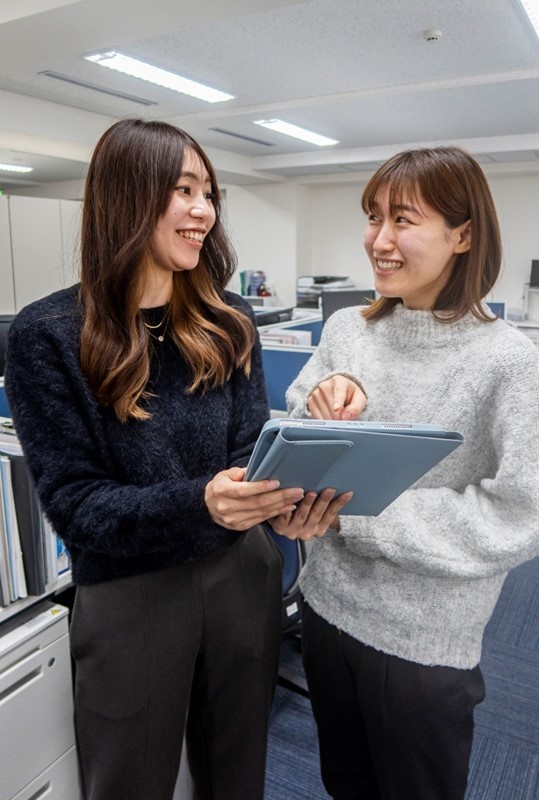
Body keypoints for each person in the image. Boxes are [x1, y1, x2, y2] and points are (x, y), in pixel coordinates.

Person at [4, 118, 348, 800]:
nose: (203, 211)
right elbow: (76, 505)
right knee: (129, 779)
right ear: (128, 197)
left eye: (208, 192)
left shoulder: (229, 320)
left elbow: (253, 454)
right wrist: (201, 501)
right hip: (132, 593)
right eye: (183, 189)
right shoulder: (48, 336)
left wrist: (289, 508)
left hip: (241, 574)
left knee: (235, 771)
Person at [277, 146, 539, 800]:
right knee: (344, 784)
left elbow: (530, 509)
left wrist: (365, 512)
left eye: (402, 220)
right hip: (325, 611)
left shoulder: (505, 361)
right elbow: (299, 412)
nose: (378, 240)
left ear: (462, 234)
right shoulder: (347, 329)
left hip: (419, 646)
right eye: (372, 217)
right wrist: (322, 401)